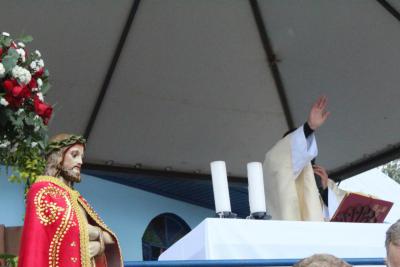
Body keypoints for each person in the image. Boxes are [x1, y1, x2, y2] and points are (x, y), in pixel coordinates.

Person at [18, 134, 123, 267]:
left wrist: (99, 245)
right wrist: (96, 234)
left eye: (81, 157)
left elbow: (110, 239)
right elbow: (41, 241)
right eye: (74, 155)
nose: (80, 161)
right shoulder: (43, 190)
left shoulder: (75, 197)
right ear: (58, 157)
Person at [263, 96, 346, 221]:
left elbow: (347, 215)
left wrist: (325, 192)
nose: (306, 157)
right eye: (301, 147)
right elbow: (279, 160)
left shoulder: (326, 184)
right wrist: (309, 127)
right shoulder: (277, 174)